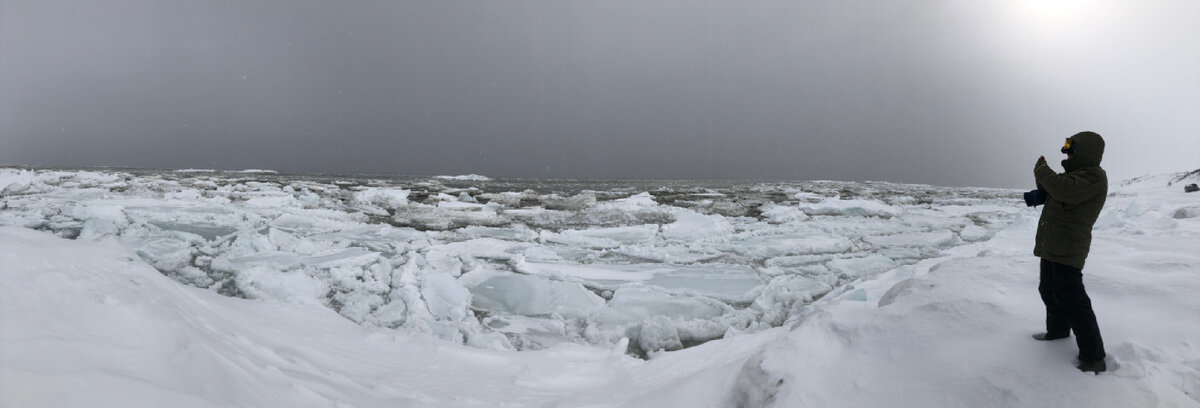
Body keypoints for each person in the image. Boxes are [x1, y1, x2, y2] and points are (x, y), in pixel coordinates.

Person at [1031, 131, 1108, 374]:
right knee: (1049, 291)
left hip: (1068, 249)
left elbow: (1062, 191)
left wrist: (1042, 170)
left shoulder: (1094, 176)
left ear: (1084, 149)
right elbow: (1054, 191)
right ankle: (1057, 332)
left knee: (1074, 302)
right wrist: (1042, 181)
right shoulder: (1073, 176)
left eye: (1070, 146)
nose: (1066, 151)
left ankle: (1093, 357)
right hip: (1053, 246)